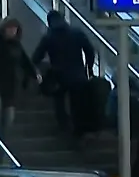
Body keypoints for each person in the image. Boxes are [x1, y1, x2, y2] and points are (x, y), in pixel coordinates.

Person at [32, 11, 96, 139]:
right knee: (77, 103)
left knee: (59, 101)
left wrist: (40, 69)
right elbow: (90, 50)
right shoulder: (77, 33)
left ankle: (64, 126)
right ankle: (78, 131)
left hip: (58, 76)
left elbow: (36, 57)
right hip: (78, 74)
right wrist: (88, 67)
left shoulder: (48, 37)